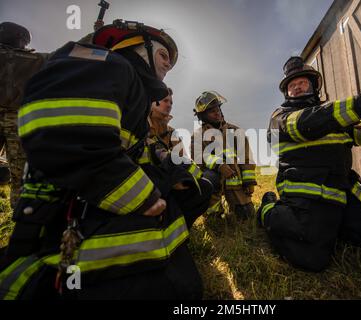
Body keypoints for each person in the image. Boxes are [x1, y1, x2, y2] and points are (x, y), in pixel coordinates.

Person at [0, 19, 204, 300]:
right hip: (68, 223)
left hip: (77, 212)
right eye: (164, 55)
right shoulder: (112, 65)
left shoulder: (127, 86)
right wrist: (144, 198)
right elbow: (73, 140)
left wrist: (172, 170)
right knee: (179, 288)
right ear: (137, 45)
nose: (168, 66)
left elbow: (130, 150)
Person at [257, 56, 361, 272]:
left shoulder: (337, 115)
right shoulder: (280, 117)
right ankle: (268, 208)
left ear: (314, 86)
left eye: (301, 82)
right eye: (291, 86)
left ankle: (332, 227)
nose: (296, 88)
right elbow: (306, 124)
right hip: (306, 199)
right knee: (311, 259)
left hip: (342, 195)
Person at [147, 88, 217, 228]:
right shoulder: (139, 126)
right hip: (148, 184)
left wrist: (186, 179)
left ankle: (182, 226)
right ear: (152, 102)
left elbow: (183, 162)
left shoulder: (172, 133)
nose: (169, 105)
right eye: (165, 100)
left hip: (172, 184)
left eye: (171, 102)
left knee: (205, 185)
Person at [0, 22, 47, 207]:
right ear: (20, 39)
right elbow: (66, 52)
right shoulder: (35, 60)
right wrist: (96, 33)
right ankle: (21, 219)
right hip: (18, 121)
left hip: (18, 120)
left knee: (20, 174)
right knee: (20, 176)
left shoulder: (35, 59)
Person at [191, 91, 257, 219]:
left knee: (247, 216)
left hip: (234, 180)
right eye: (212, 111)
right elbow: (198, 157)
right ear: (203, 116)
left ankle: (238, 206)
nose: (217, 113)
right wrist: (219, 165)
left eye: (218, 109)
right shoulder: (198, 136)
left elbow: (246, 157)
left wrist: (249, 181)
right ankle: (213, 214)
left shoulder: (235, 131)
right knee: (214, 219)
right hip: (214, 179)